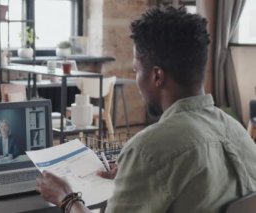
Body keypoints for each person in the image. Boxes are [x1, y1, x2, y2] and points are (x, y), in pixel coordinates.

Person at [36, 6, 256, 213]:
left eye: (136, 70)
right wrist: (137, 174)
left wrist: (66, 198)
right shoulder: (239, 133)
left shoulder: (148, 149)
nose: (137, 80)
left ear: (157, 76)